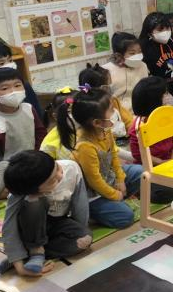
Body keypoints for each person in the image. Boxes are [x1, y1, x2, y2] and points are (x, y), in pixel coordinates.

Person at [56, 87, 142, 229]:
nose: (115, 112)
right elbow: (94, 181)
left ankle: (114, 203)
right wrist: (115, 195)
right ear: (96, 122)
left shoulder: (105, 130)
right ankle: (93, 213)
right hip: (92, 194)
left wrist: (120, 179)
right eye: (111, 110)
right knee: (126, 217)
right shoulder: (85, 146)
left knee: (140, 173)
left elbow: (113, 156)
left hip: (107, 177)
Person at [0, 151, 91, 277]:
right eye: (52, 181)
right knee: (34, 201)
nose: (60, 175)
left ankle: (26, 256)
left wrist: (80, 231)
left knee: (85, 240)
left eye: (57, 168)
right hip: (30, 229)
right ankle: (35, 251)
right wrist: (20, 269)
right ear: (34, 189)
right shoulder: (23, 190)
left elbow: (80, 205)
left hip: (58, 222)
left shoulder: (71, 168)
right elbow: (9, 226)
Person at [0, 68, 46, 199]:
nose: (13, 91)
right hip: (8, 166)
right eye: (5, 88)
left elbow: (40, 133)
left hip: (32, 160)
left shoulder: (28, 108)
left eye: (17, 85)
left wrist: (36, 155)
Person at [128, 77, 173, 204]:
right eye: (165, 94)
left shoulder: (167, 117)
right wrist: (161, 162)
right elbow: (139, 155)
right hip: (148, 166)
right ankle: (137, 189)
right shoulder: (138, 127)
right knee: (167, 193)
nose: (168, 97)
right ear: (154, 102)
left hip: (169, 164)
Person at [139, 12, 173, 107]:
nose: (165, 32)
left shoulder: (171, 42)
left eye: (167, 28)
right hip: (160, 88)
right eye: (160, 29)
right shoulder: (144, 49)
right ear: (149, 32)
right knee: (168, 104)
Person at [79, 64, 133, 140]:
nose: (111, 88)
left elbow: (128, 121)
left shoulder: (113, 101)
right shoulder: (85, 110)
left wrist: (134, 133)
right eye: (108, 86)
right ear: (100, 89)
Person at [102, 32, 149, 110]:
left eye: (140, 51)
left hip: (140, 111)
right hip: (117, 113)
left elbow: (145, 92)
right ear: (119, 55)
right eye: (132, 53)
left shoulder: (143, 66)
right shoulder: (106, 71)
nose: (137, 56)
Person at [0, 40, 42, 116]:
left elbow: (37, 113)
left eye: (10, 60)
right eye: (1, 63)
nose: (9, 65)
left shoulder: (24, 85)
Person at [40, 88, 77, 161]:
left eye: (79, 109)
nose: (76, 114)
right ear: (55, 116)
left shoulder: (93, 128)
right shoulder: (50, 144)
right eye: (69, 111)